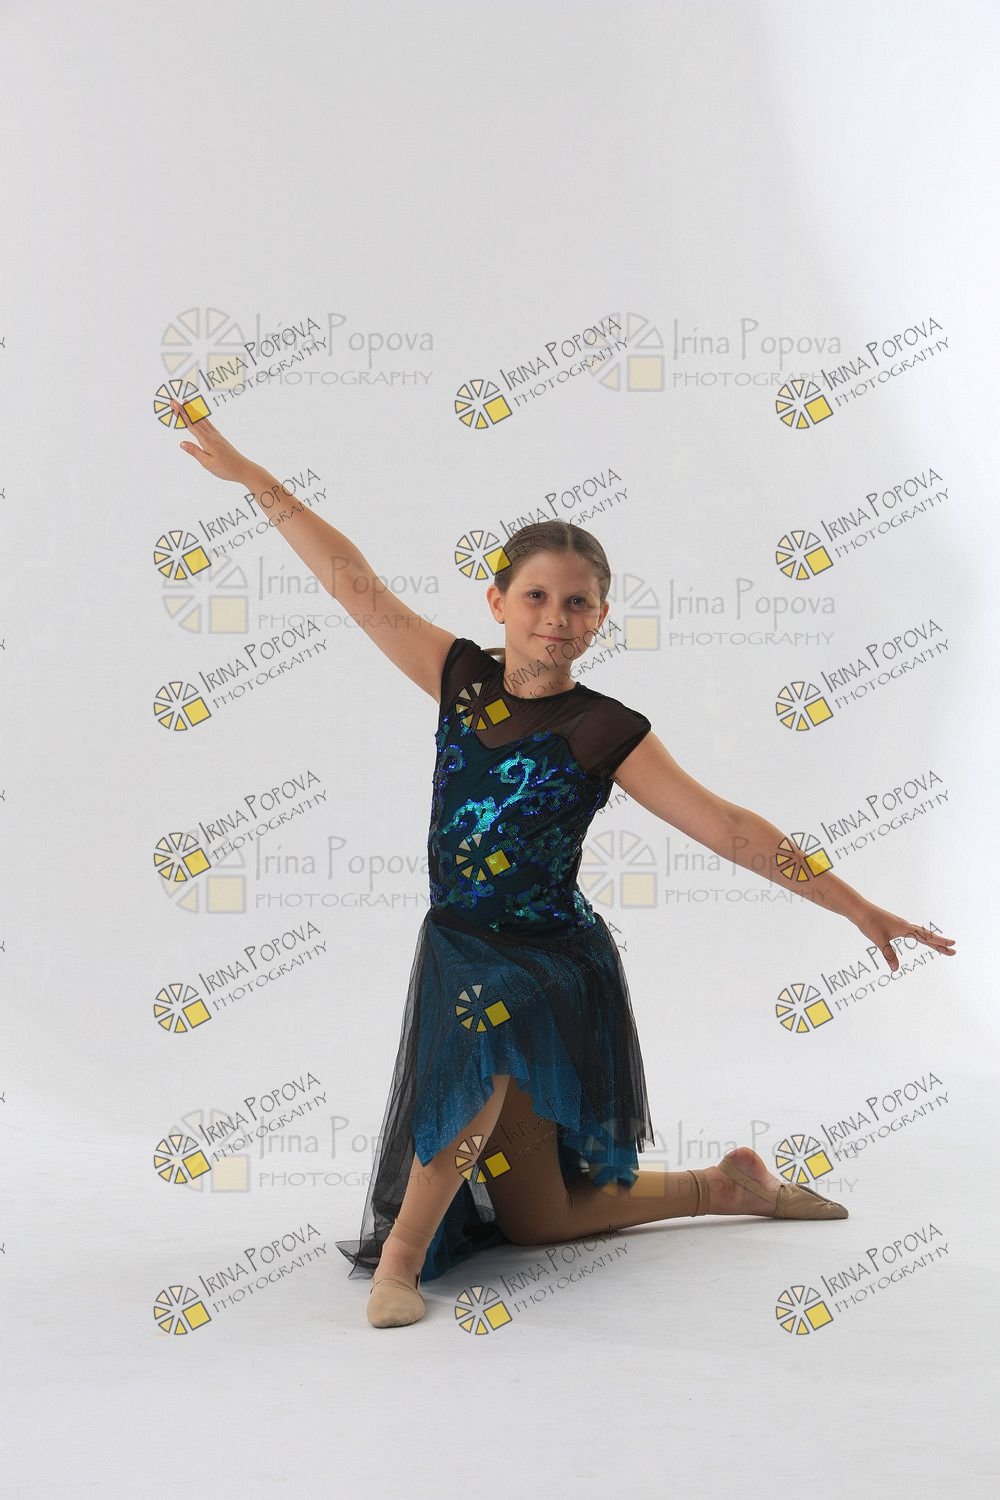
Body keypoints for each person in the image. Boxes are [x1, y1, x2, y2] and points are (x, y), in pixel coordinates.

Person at [169, 399, 957, 1330]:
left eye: (577, 602)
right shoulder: (460, 680)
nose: (554, 617)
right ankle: (724, 1186)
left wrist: (853, 904)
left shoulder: (602, 728)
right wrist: (255, 479)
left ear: (599, 619)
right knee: (539, 1218)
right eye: (536, 597)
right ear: (498, 603)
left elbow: (726, 825)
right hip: (462, 939)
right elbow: (354, 584)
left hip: (548, 960)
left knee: (485, 1036)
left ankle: (402, 1263)